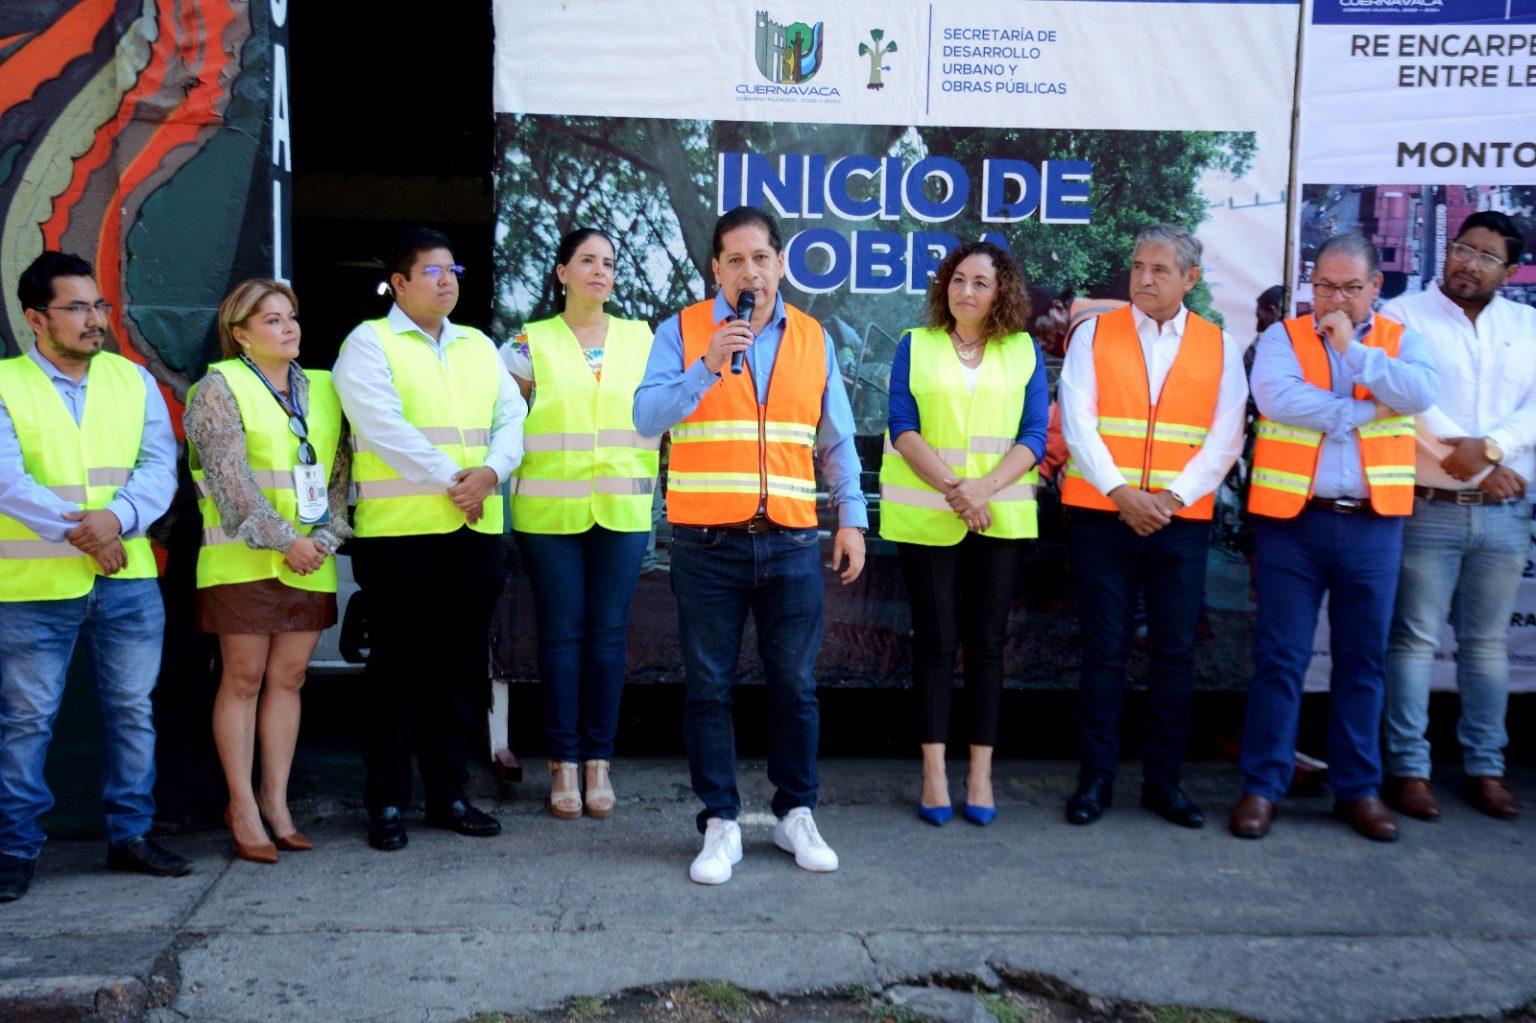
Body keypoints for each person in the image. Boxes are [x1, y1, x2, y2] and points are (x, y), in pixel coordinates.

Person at [633, 206, 867, 885]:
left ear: (781, 264)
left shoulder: (813, 338)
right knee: (708, 688)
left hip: (790, 542)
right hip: (706, 545)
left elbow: (835, 438)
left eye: (761, 257)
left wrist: (850, 517)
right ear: (716, 269)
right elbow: (646, 416)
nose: (749, 271)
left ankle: (796, 812)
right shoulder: (681, 331)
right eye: (734, 260)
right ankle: (720, 821)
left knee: (795, 685)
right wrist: (706, 366)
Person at [1233, 233, 1438, 842]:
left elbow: (1420, 394)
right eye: (1324, 286)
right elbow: (1278, 401)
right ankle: (1263, 786)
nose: (1335, 299)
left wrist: (1353, 351)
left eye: (1350, 287)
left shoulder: (1403, 342)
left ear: (1377, 286)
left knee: (1363, 662)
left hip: (1374, 524)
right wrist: (1368, 410)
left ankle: (1358, 789)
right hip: (1293, 525)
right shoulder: (1284, 338)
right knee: (1279, 659)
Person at [0, 250, 188, 901]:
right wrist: (87, 533)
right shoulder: (5, 383)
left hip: (127, 582)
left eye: (99, 305)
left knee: (133, 713)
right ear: (36, 318)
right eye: (76, 307)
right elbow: (8, 481)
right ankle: (15, 847)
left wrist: (117, 519)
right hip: (33, 589)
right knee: (26, 721)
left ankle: (130, 835)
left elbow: (159, 466)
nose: (95, 319)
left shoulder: (133, 380)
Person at [333, 228, 527, 851]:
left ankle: (449, 796)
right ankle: (388, 802)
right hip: (401, 540)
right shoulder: (369, 343)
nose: (448, 281)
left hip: (473, 536)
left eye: (453, 270)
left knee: (458, 673)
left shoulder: (477, 345)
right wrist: (457, 481)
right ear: (399, 282)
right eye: (433, 271)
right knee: (398, 673)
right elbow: (381, 428)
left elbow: (513, 417)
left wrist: (492, 472)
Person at [1057, 224, 1247, 830]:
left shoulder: (1219, 345)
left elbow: (1226, 438)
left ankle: (1164, 782)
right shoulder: (1094, 333)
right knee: (1104, 651)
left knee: (1173, 654)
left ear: (1191, 278)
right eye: (1138, 266)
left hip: (1178, 521)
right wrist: (1121, 493)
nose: (1143, 278)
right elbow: (1078, 421)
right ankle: (1096, 779)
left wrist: (1168, 499)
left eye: (1159, 269)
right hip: (1102, 516)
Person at [880, 241, 1047, 827]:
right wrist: (958, 489)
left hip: (999, 517)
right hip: (929, 516)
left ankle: (979, 774)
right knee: (935, 643)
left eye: (980, 282)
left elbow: (1035, 435)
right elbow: (902, 426)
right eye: (957, 279)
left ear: (1001, 292)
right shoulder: (916, 345)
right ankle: (933, 774)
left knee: (986, 646)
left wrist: (984, 490)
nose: (966, 291)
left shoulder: (1023, 351)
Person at [185, 279, 351, 862]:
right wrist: (287, 542)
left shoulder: (325, 388)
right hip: (242, 559)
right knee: (243, 679)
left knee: (290, 678)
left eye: (292, 316)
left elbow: (339, 477)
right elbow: (229, 484)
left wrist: (324, 538)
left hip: (310, 559)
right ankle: (242, 806)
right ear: (241, 335)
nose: (289, 327)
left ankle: (276, 803)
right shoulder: (217, 387)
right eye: (272, 320)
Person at [1381, 211, 1536, 823]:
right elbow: (1407, 404)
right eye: (1462, 249)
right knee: (1414, 641)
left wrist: (1494, 448)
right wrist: (1477, 469)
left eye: (1487, 256)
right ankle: (1409, 769)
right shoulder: (1403, 316)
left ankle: (1485, 767)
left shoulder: (1527, 325)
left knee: (1487, 645)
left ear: (1511, 270)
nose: (1469, 263)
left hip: (1505, 515)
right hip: (1429, 508)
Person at [502, 228, 658, 819]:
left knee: (609, 636)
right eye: (587, 260)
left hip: (622, 508)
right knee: (561, 636)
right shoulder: (528, 342)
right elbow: (503, 422)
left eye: (609, 263)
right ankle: (563, 762)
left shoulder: (644, 339)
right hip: (548, 514)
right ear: (562, 272)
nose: (600, 271)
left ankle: (599, 762)